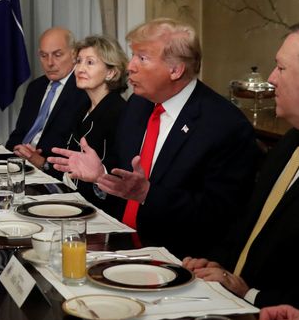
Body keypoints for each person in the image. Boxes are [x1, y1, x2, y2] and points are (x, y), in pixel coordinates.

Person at [48, 18, 259, 257]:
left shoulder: (224, 125)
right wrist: (101, 176)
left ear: (175, 69)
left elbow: (219, 214)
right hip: (117, 244)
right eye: (133, 56)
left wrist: (148, 194)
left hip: (176, 257)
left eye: (142, 58)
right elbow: (127, 183)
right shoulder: (138, 105)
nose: (130, 66)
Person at [182, 25, 299, 308]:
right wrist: (217, 264)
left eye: (281, 69)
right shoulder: (289, 142)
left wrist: (250, 294)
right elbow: (250, 223)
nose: (271, 79)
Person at [6, 27, 89, 171]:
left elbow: (75, 150)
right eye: (43, 56)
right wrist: (18, 151)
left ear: (74, 54)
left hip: (49, 171)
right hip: (18, 164)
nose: (49, 63)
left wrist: (42, 162)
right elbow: (18, 134)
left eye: (57, 55)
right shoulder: (36, 87)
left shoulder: (84, 91)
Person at [62, 35, 127, 216]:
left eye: (90, 62)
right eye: (79, 61)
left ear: (111, 73)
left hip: (103, 211)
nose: (80, 68)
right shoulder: (81, 107)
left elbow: (119, 175)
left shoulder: (120, 113)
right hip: (74, 200)